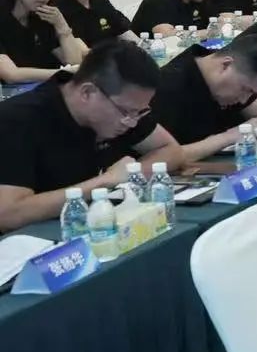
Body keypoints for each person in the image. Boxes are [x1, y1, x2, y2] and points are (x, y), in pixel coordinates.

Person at [0, 41, 184, 232]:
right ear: (87, 92)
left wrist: (132, 174)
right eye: (126, 112)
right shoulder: (16, 119)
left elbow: (171, 151)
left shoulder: (124, 105)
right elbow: (7, 214)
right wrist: (104, 182)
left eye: (139, 112)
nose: (131, 123)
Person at [150, 31, 257, 163]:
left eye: (253, 93)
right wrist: (227, 138)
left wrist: (234, 134)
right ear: (225, 65)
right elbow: (159, 159)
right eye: (245, 89)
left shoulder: (223, 67)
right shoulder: (165, 89)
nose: (244, 100)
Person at [0, 0, 86, 83]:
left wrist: (62, 26)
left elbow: (74, 63)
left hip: (48, 90)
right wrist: (64, 73)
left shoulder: (43, 17)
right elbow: (11, 75)